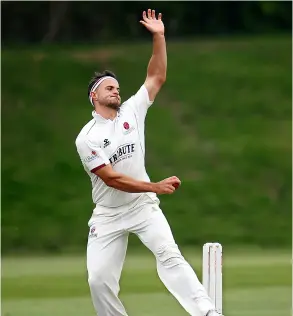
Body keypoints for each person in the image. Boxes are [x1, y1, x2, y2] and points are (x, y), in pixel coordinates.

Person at [75, 9, 223, 316]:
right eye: (108, 87)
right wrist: (153, 185)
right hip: (109, 213)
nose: (116, 89)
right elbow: (112, 179)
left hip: (142, 205)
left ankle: (208, 312)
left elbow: (156, 75)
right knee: (98, 280)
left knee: (170, 256)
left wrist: (159, 36)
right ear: (94, 96)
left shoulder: (131, 111)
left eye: (117, 86)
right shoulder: (87, 137)